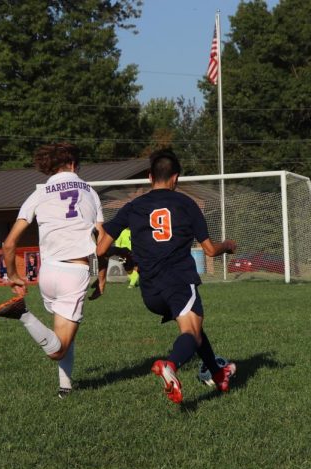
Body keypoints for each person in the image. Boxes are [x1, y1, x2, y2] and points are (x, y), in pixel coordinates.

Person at [96, 148, 237, 404]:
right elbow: (209, 250)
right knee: (191, 332)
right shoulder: (186, 203)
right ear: (176, 178)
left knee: (194, 328)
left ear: (150, 177)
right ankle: (169, 365)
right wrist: (227, 245)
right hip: (178, 280)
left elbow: (101, 249)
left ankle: (218, 374)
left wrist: (125, 253)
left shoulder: (133, 206)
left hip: (150, 291)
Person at [0, 142, 107, 399]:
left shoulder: (39, 194)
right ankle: (23, 314)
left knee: (64, 332)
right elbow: (102, 240)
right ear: (74, 164)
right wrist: (102, 276)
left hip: (48, 272)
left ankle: (65, 387)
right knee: (58, 350)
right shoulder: (90, 192)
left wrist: (13, 275)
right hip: (75, 273)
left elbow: (9, 243)